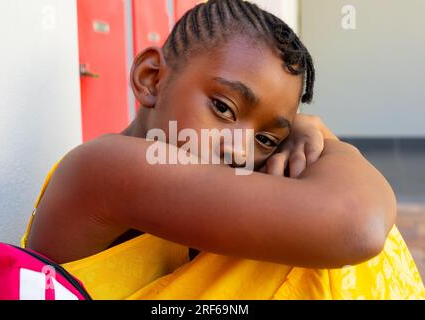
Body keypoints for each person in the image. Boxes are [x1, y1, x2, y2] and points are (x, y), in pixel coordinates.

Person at [21, 0, 424, 299]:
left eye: (266, 139)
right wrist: (333, 147)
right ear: (151, 78)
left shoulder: (195, 180)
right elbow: (360, 225)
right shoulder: (103, 169)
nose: (239, 150)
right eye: (223, 107)